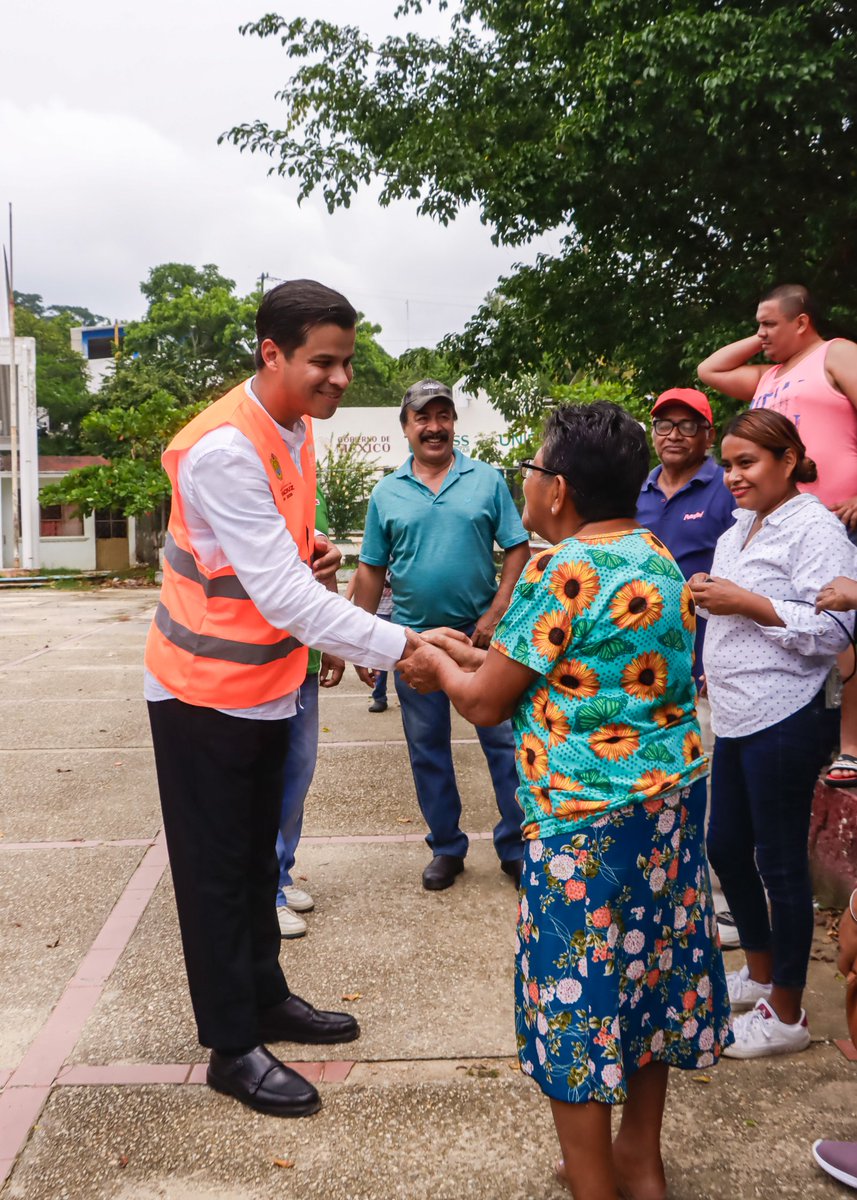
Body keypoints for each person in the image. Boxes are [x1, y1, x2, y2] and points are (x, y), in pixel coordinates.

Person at [400, 401, 731, 1200]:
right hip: (666, 809)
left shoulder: (560, 571)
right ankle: (638, 1160)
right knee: (646, 976)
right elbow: (555, 667)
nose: (525, 480)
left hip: (583, 822)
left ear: (558, 489)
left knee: (576, 997)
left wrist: (437, 668)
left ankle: (593, 1183)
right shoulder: (651, 552)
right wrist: (460, 650)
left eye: (533, 467)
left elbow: (486, 701)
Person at [143, 279, 408, 1117]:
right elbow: (281, 594)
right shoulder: (225, 447)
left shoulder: (292, 426)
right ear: (272, 354)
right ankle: (231, 1046)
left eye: (346, 362)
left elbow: (273, 557)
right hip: (202, 694)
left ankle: (264, 998)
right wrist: (400, 648)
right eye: (323, 363)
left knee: (260, 858)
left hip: (265, 683)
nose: (340, 379)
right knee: (216, 874)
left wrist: (312, 559)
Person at [690, 410, 857, 1059]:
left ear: (787, 461)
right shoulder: (739, 526)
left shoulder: (813, 528)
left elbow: (835, 630)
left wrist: (747, 603)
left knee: (779, 862)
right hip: (737, 713)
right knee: (725, 846)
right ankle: (760, 974)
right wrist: (709, 594)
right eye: (728, 464)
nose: (733, 476)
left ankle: (786, 1013)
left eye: (747, 463)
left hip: (786, 714)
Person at [351, 378, 531, 891]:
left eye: (443, 416)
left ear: (453, 423)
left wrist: (496, 612)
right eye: (422, 418)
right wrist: (361, 640)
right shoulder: (386, 492)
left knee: (504, 744)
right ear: (406, 428)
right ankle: (447, 847)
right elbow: (370, 569)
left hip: (482, 640)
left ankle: (516, 846)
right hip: (415, 643)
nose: (434, 427)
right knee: (427, 748)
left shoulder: (486, 480)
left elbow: (517, 548)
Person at [697, 284, 857, 787]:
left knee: (842, 626)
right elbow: (710, 370)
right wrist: (765, 336)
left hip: (837, 516)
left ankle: (851, 746)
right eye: (757, 325)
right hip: (774, 521)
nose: (760, 333)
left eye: (769, 323)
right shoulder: (767, 375)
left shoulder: (837, 353)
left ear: (802, 321)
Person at [635, 387, 738, 943]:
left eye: (686, 424)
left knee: (712, 788)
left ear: (707, 434)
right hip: (643, 666)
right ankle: (671, 890)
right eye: (664, 424)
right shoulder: (640, 489)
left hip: (707, 668)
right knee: (660, 781)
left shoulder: (725, 489)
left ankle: (723, 904)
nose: (673, 434)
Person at [275, 487, 343, 940]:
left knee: (298, 774)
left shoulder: (307, 494)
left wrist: (331, 643)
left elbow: (323, 572)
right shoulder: (246, 479)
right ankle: (266, 892)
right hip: (258, 666)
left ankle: (281, 872)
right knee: (266, 780)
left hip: (303, 663)